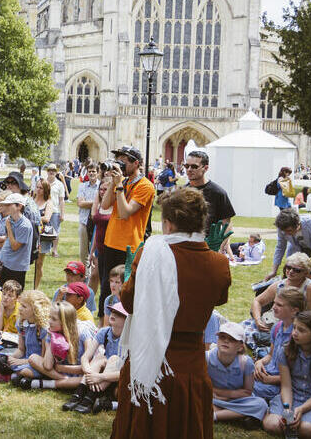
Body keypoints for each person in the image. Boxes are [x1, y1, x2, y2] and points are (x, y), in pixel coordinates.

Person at [111, 187, 231, 438]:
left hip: (151, 360)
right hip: (191, 363)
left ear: (169, 223)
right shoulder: (219, 263)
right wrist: (210, 256)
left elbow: (129, 304)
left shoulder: (149, 254)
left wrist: (131, 278)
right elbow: (220, 298)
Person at [262, 311, 311, 437]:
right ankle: (274, 416)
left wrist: (301, 409)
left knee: (306, 430)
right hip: (290, 397)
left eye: (301, 330)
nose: (294, 333)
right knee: (271, 425)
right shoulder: (284, 351)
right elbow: (286, 386)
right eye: (294, 327)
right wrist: (288, 410)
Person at [100, 146, 155, 318]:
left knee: (125, 290)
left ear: (136, 163)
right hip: (111, 242)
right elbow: (104, 205)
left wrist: (118, 186)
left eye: (124, 161)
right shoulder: (121, 182)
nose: (120, 164)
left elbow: (125, 213)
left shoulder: (146, 186)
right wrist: (114, 182)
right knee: (106, 288)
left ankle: (123, 324)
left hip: (129, 247)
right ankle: (103, 324)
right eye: (119, 161)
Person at [207, 321, 269, 426]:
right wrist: (216, 395)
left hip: (237, 400)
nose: (226, 341)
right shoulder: (207, 358)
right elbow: (201, 387)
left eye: (232, 339)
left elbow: (247, 392)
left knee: (261, 404)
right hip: (212, 398)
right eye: (222, 337)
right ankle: (237, 415)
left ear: (240, 346)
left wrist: (224, 395)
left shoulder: (246, 362)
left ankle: (214, 415)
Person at [254, 287, 306, 400]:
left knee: (245, 387)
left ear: (294, 310)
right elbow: (270, 355)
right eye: (274, 303)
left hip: (281, 385)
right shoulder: (277, 327)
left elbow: (299, 375)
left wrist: (270, 380)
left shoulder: (298, 337)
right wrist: (260, 362)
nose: (273, 307)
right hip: (268, 374)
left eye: (279, 305)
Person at [183, 150, 236, 255]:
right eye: (186, 166)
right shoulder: (181, 192)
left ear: (205, 168)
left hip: (209, 248)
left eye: (194, 166)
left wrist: (222, 246)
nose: (189, 170)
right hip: (184, 247)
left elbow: (227, 224)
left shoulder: (218, 193)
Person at [252, 253, 311, 332]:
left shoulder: (310, 288)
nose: (291, 271)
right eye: (288, 267)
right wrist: (258, 320)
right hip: (269, 321)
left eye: (297, 270)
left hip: (292, 328)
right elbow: (257, 301)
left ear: (306, 273)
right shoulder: (279, 285)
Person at [267, 208, 311, 280]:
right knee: (290, 269)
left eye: (289, 230)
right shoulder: (282, 228)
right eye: (284, 231)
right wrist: (274, 271)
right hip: (297, 247)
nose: (286, 234)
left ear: (298, 224)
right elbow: (280, 247)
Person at [0, 194, 33, 287]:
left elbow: (15, 247)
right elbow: (7, 240)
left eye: (9, 205)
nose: (6, 207)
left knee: (13, 293)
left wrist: (9, 227)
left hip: (16, 268)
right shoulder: (9, 219)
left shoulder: (25, 225)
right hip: (4, 263)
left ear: (19, 206)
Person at [76, 164, 99, 261]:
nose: (91, 173)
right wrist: (96, 202)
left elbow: (104, 204)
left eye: (94, 171)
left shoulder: (101, 186)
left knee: (96, 250)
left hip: (97, 222)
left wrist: (87, 203)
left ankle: (94, 269)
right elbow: (80, 203)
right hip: (84, 221)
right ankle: (85, 270)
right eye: (89, 171)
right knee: (83, 251)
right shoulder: (82, 186)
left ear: (98, 173)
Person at [43, 163, 67, 258]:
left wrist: (62, 214)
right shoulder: (43, 182)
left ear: (56, 172)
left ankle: (54, 250)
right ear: (47, 171)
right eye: (49, 170)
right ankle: (43, 249)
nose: (51, 172)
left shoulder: (59, 184)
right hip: (43, 210)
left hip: (55, 211)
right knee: (42, 231)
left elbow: (61, 200)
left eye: (53, 170)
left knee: (55, 232)